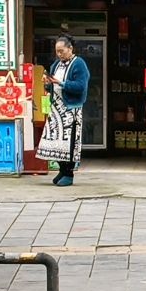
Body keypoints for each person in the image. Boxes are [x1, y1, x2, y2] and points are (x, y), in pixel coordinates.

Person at [37, 36, 89, 186]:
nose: (59, 54)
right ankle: (62, 169)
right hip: (56, 108)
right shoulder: (56, 65)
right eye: (57, 52)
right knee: (55, 142)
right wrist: (48, 84)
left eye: (62, 51)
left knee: (69, 142)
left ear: (70, 49)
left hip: (70, 109)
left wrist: (62, 83)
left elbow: (81, 86)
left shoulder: (79, 64)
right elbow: (53, 85)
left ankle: (69, 173)